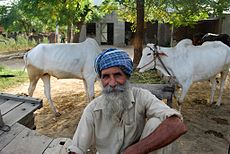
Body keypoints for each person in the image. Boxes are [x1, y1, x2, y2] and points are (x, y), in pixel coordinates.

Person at [67, 48, 187, 154]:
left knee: (156, 123)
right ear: (101, 80)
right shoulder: (92, 110)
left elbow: (177, 125)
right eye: (106, 77)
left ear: (127, 76)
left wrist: (135, 150)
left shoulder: (141, 96)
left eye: (117, 75)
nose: (112, 83)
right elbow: (76, 149)